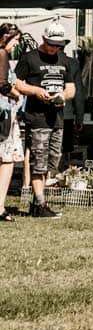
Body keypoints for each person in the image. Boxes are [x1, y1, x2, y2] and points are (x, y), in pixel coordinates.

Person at [12, 22, 79, 219]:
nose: (54, 48)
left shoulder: (64, 60)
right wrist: (36, 91)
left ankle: (37, 202)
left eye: (58, 45)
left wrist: (63, 96)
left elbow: (71, 88)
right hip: (38, 118)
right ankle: (41, 204)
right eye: (51, 44)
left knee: (52, 161)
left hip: (57, 118)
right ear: (43, 39)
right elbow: (15, 81)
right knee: (38, 162)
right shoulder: (29, 58)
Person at [0, 23, 23, 221]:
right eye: (15, 40)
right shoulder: (1, 54)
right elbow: (3, 84)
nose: (16, 45)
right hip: (3, 114)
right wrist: (17, 96)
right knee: (6, 160)